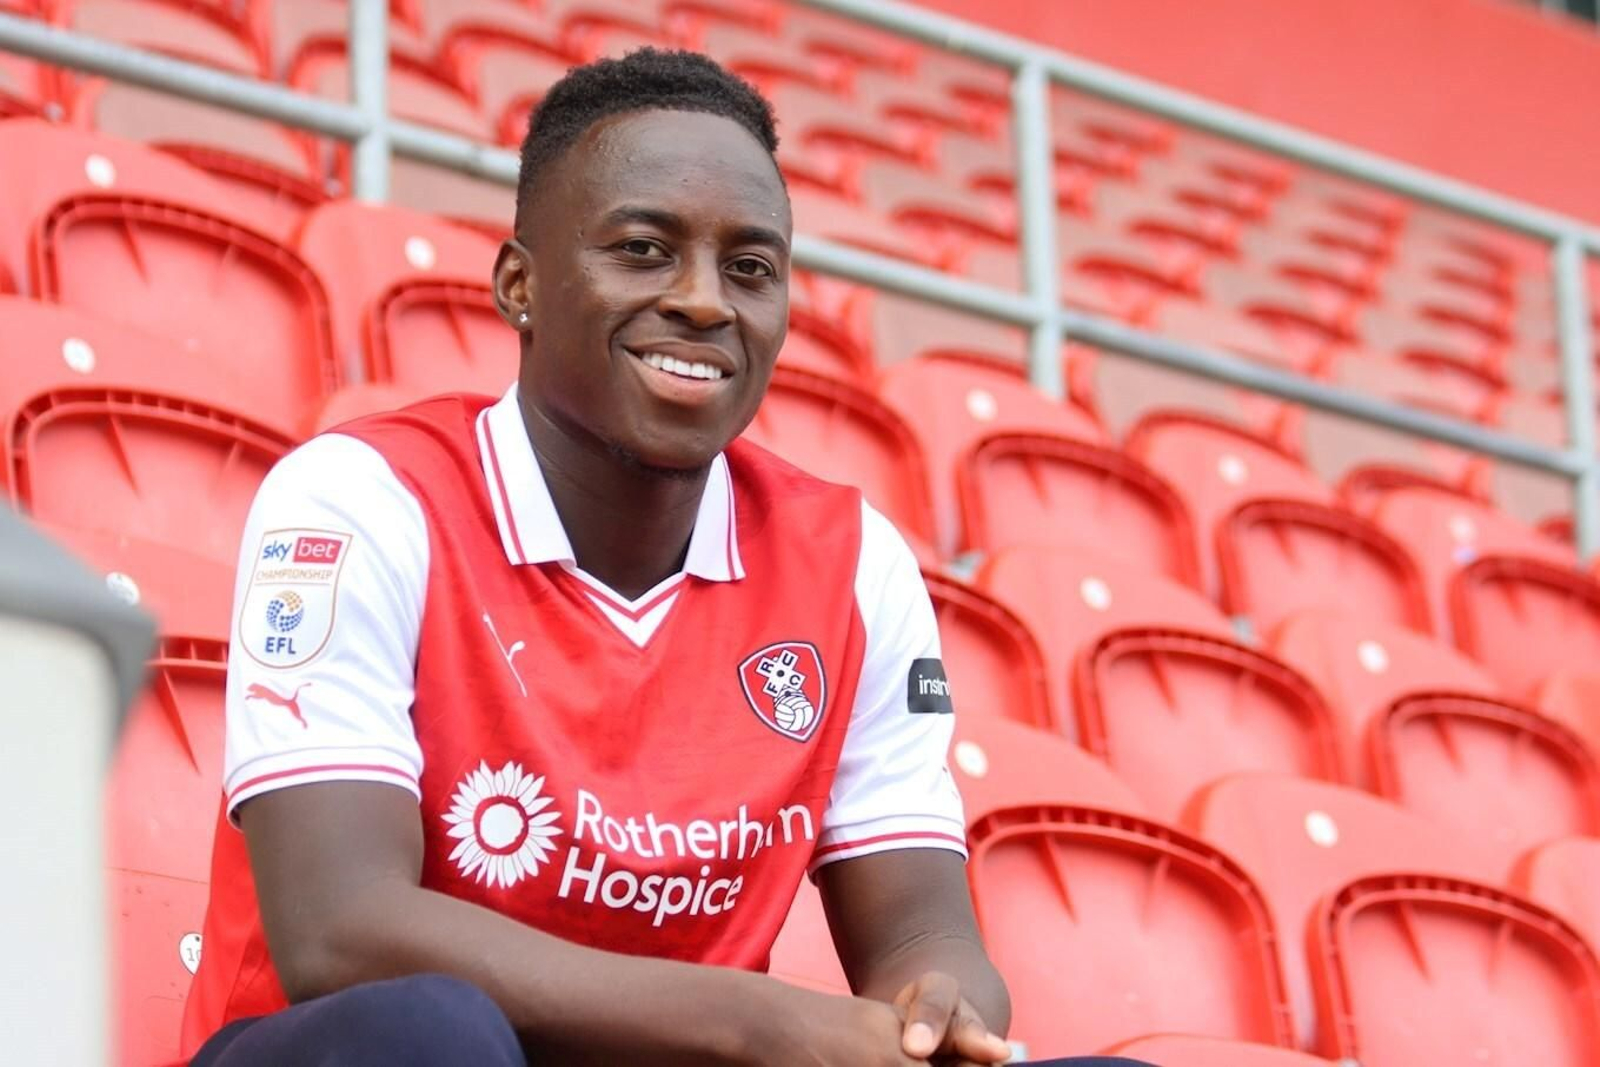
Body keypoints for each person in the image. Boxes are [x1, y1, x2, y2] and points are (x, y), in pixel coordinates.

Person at [180, 48, 1155, 1067]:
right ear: (520, 284)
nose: (704, 301)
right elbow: (340, 930)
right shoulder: (360, 498)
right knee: (432, 1031)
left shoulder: (854, 562)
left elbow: (920, 925)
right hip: (370, 1052)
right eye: (643, 250)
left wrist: (934, 1004)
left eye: (750, 268)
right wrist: (759, 1019)